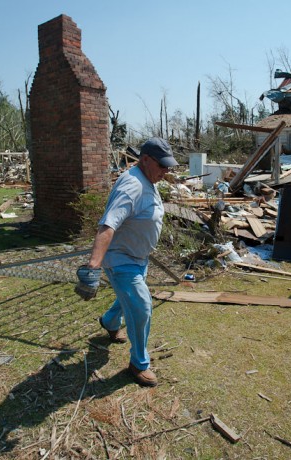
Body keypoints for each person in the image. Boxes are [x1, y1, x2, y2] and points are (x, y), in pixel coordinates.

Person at [75, 137, 178, 387]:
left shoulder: (147, 178)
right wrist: (93, 266)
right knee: (141, 307)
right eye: (162, 165)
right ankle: (138, 364)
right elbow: (108, 224)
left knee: (127, 299)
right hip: (122, 259)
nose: (166, 171)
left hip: (138, 257)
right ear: (145, 160)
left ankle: (109, 322)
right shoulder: (131, 185)